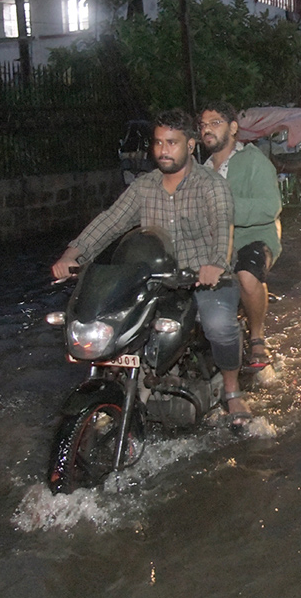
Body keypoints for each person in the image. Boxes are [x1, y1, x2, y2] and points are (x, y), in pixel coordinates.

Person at [51, 109, 252, 428]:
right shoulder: (144, 186)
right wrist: (72, 253)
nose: (163, 150)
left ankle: (232, 390)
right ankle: (119, 390)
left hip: (204, 278)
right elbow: (111, 221)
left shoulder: (210, 185)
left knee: (218, 326)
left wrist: (214, 265)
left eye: (172, 143)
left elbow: (222, 227)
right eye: (158, 143)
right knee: (116, 323)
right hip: (156, 278)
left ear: (190, 145)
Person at [199, 101, 281, 370]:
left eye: (215, 123)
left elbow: (270, 207)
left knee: (246, 275)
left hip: (252, 237)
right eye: (203, 125)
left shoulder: (254, 160)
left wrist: (224, 209)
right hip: (213, 244)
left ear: (233, 128)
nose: (207, 130)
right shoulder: (200, 170)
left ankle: (257, 336)